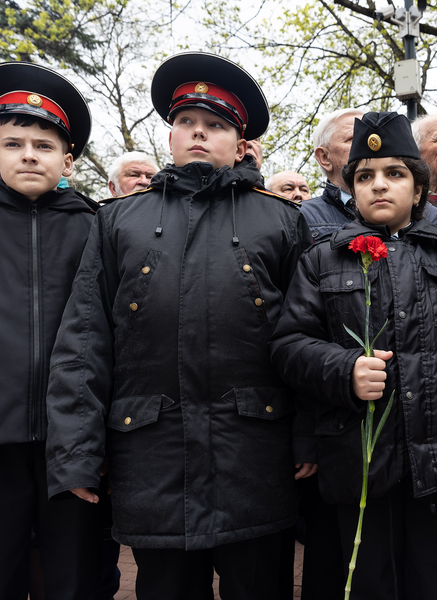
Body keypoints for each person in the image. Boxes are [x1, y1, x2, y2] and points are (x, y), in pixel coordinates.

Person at [43, 51, 312, 600]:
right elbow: (85, 340)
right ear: (169, 135)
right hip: (152, 457)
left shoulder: (283, 220)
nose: (198, 133)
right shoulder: (117, 219)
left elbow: (306, 338)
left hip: (254, 457)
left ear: (240, 145)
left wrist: (308, 438)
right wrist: (76, 454)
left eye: (215, 125)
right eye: (187, 122)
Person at [271, 110, 437, 600]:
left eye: (395, 173)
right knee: (367, 581)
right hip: (358, 453)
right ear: (352, 189)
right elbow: (289, 344)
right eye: (365, 176)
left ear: (419, 189)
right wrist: (343, 370)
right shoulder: (322, 259)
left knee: (435, 581)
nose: (379, 185)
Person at [0, 61, 101, 599]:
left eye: (44, 145)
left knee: (78, 579)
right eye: (14, 143)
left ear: (68, 161)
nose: (29, 154)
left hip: (74, 441)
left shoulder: (98, 228)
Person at [302, 108, 437, 241]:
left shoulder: (432, 216)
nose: (366, 146)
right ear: (324, 157)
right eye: (354, 139)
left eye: (394, 173)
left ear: (417, 191)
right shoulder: (302, 217)